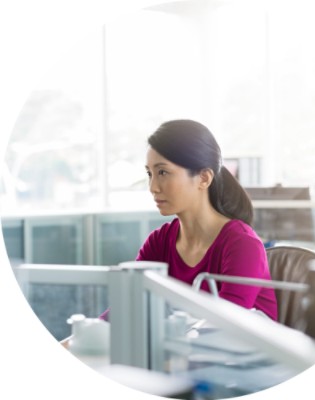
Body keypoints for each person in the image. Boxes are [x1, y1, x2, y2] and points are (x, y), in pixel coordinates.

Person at [61, 120, 277, 348]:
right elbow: (127, 307)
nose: (153, 187)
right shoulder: (159, 241)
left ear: (204, 178)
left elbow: (226, 326)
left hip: (244, 367)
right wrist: (73, 343)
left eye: (163, 172)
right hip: (184, 359)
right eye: (150, 173)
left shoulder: (242, 244)